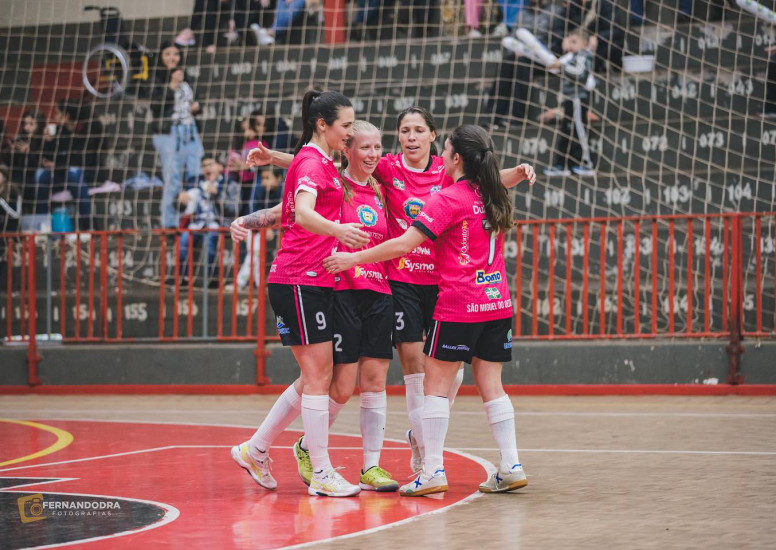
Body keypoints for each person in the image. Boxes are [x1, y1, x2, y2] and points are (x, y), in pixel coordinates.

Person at [247, 105, 535, 478]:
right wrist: (275, 159)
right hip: (400, 282)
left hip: (444, 285)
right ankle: (424, 459)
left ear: (435, 138)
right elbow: (328, 166)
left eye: (418, 130)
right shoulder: (386, 168)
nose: (410, 137)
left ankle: (421, 447)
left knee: (444, 375)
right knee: (402, 368)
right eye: (404, 130)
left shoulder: (447, 176)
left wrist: (519, 172)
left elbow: (490, 176)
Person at [323, 124, 529, 497]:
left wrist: (353, 257)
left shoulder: (448, 198)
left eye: (445, 150)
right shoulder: (493, 193)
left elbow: (403, 244)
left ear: (457, 158)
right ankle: (512, 465)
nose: (441, 157)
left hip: (459, 304)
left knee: (434, 387)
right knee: (492, 386)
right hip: (497, 302)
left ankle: (432, 470)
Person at [230, 121, 400, 492]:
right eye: (364, 147)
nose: (373, 154)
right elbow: (292, 201)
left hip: (378, 291)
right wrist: (246, 219)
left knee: (371, 379)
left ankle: (368, 466)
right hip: (338, 289)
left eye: (378, 147)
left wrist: (274, 157)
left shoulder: (381, 184)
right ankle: (297, 452)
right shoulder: (333, 182)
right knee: (332, 384)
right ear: (346, 149)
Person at [480, 0, 564, 129]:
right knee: (507, 62)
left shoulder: (555, 11)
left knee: (522, 64)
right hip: (522, 54)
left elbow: (557, 40)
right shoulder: (522, 13)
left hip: (545, 60)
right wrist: (517, 50)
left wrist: (535, 53)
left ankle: (517, 117)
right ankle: (493, 116)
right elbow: (514, 37)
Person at [150, 41, 205, 231]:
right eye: (167, 54)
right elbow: (155, 106)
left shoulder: (186, 76)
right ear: (161, 57)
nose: (172, 58)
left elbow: (196, 101)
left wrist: (197, 107)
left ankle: (194, 218)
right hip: (169, 132)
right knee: (172, 178)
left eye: (175, 54)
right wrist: (172, 85)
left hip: (190, 130)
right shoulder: (156, 78)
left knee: (195, 174)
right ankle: (169, 224)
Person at [34, 99, 97, 232]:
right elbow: (50, 157)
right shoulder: (59, 131)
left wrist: (57, 164)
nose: (54, 117)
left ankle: (89, 227)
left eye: (57, 113)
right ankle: (43, 226)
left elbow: (81, 160)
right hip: (61, 174)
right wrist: (48, 142)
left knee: (73, 173)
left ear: (67, 116)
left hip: (82, 174)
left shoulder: (84, 131)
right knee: (40, 175)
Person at [543, 29, 596, 177]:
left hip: (577, 99)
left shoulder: (584, 55)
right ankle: (562, 165)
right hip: (569, 100)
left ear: (585, 44)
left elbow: (580, 73)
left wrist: (561, 66)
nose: (571, 45)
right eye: (569, 41)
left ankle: (586, 163)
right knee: (566, 132)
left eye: (574, 42)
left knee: (578, 131)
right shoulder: (571, 57)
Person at [173, 155, 224, 286]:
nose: (207, 168)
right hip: (196, 224)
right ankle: (183, 278)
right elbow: (179, 206)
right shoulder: (194, 182)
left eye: (210, 165)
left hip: (216, 224)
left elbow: (233, 209)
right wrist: (180, 198)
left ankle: (211, 278)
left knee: (210, 243)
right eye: (204, 166)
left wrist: (217, 195)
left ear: (220, 167)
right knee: (183, 241)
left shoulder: (228, 183)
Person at [9, 110, 47, 213]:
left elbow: (41, 164)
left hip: (36, 176)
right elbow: (13, 164)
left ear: (39, 125)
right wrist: (11, 152)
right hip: (19, 175)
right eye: (25, 124)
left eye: (31, 124)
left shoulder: (44, 140)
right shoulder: (20, 139)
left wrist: (29, 153)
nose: (27, 127)